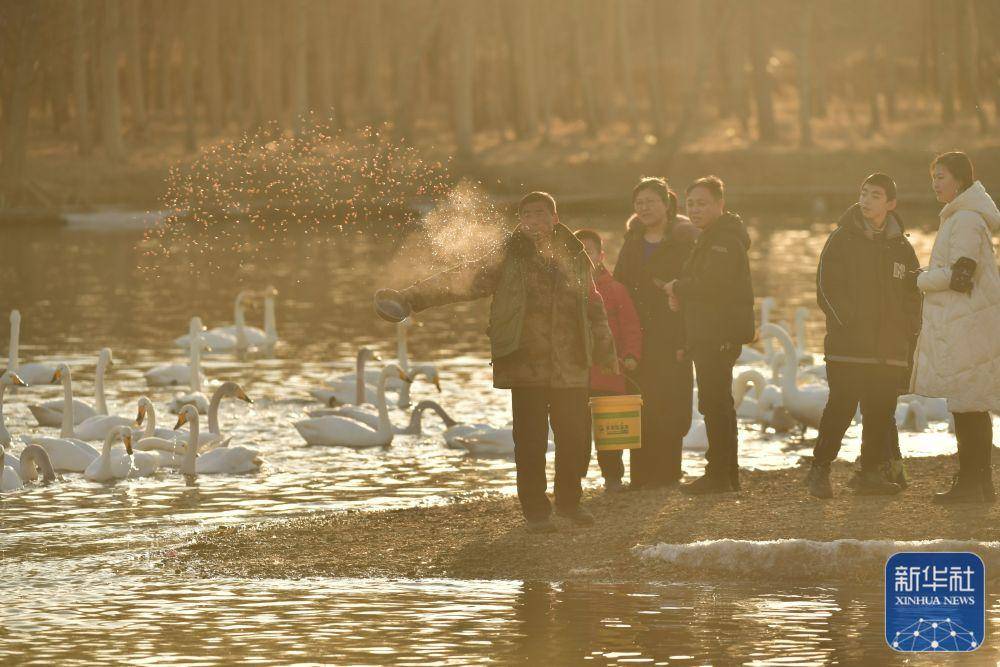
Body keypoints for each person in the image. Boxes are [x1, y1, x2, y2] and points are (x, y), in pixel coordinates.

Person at [385, 191, 619, 531]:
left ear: (554, 219)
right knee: (530, 440)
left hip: (571, 363)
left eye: (541, 214)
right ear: (520, 221)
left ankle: (570, 504)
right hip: (524, 363)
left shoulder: (575, 255)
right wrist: (409, 299)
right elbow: (458, 282)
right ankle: (536, 512)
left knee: (575, 437)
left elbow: (594, 304)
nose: (534, 221)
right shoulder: (507, 257)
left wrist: (605, 352)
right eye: (527, 215)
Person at [805, 172, 921, 498]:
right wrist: (848, 323)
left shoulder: (901, 247)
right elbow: (826, 289)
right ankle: (819, 470)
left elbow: (914, 295)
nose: (866, 200)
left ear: (891, 204)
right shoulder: (841, 239)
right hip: (848, 347)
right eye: (864, 193)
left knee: (880, 411)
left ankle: (869, 472)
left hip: (888, 349)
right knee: (840, 408)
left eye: (875, 195)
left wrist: (908, 330)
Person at [910, 151, 1000, 504]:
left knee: (968, 406)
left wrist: (920, 280)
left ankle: (972, 483)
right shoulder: (961, 217)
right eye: (933, 176)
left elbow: (961, 277)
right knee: (969, 404)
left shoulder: (964, 219)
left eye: (942, 176)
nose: (935, 183)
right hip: (967, 323)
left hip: (968, 325)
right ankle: (980, 483)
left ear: (960, 180)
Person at [664, 176, 754, 494]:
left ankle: (720, 474)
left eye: (702, 203)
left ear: (720, 205)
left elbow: (711, 283)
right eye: (691, 204)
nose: (695, 209)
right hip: (710, 332)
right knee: (718, 403)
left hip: (718, 333)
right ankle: (726, 473)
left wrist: (677, 287)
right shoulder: (711, 237)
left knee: (715, 404)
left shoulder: (722, 241)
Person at [612, 177, 697, 488]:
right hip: (637, 333)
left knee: (671, 401)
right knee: (640, 399)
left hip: (672, 331)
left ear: (666, 204)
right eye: (639, 203)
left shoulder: (683, 240)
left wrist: (686, 338)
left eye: (650, 201)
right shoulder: (632, 241)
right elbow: (619, 286)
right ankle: (641, 475)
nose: (644, 208)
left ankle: (669, 473)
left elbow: (693, 289)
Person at [575, 228, 642, 492]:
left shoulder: (615, 291)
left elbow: (631, 328)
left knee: (610, 429)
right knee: (576, 430)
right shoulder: (564, 291)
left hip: (609, 370)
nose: (584, 258)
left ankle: (613, 478)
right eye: (577, 253)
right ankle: (573, 480)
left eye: (589, 252)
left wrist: (631, 356)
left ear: (600, 256)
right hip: (575, 373)